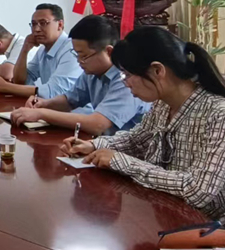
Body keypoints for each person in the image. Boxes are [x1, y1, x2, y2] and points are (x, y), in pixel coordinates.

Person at [61, 26, 225, 220]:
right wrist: (93, 145)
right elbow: (136, 140)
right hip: (167, 211)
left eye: (127, 75)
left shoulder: (218, 113)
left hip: (206, 227)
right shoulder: (163, 104)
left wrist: (123, 162)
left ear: (157, 70)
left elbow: (198, 190)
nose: (125, 83)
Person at [10, 15, 150, 135]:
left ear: (109, 52)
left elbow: (98, 124)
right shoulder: (91, 73)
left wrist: (41, 114)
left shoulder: (127, 79)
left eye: (83, 56)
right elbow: (70, 100)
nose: (78, 61)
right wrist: (44, 104)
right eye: (76, 54)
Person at [0, 4, 82, 98]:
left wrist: (6, 87)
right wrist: (24, 50)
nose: (36, 29)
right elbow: (21, 81)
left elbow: (53, 92)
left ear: (60, 25)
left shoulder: (72, 49)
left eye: (43, 23)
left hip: (75, 109)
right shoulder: (42, 50)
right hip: (51, 106)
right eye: (34, 24)